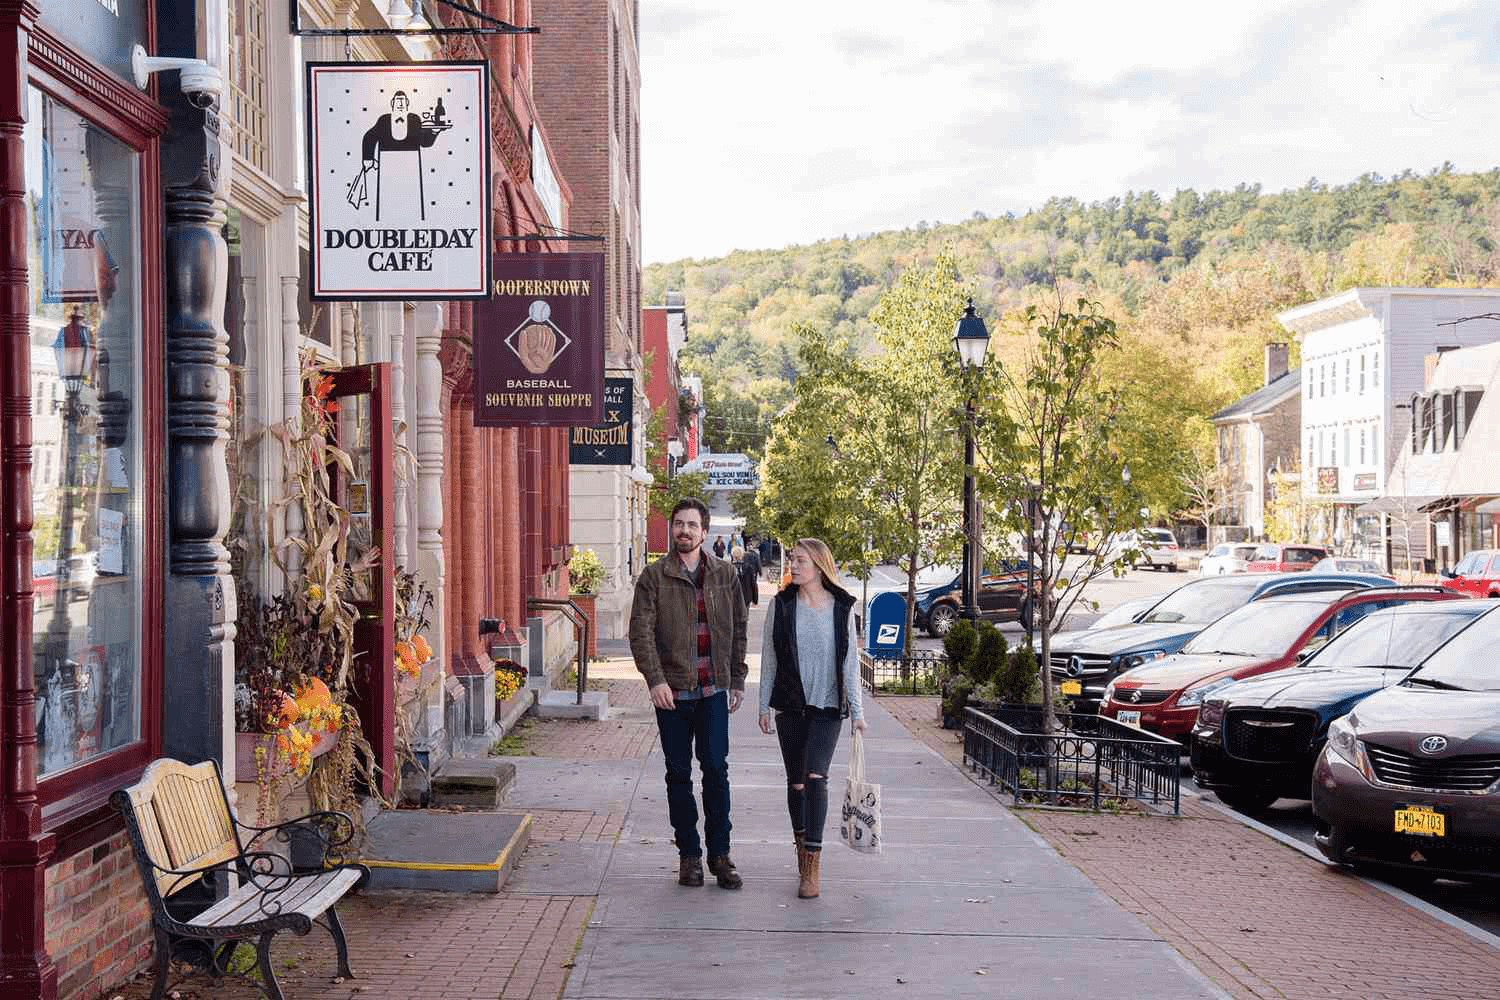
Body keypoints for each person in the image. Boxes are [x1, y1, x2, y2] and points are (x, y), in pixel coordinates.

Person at [629, 499, 749, 889]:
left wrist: (737, 679)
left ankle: (721, 855)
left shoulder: (725, 575)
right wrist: (655, 680)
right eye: (679, 524)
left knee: (716, 772)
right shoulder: (654, 577)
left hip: (713, 688)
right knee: (678, 775)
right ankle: (690, 856)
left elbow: (738, 629)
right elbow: (641, 633)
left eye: (692, 525)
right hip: (673, 694)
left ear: (704, 531)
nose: (684, 530)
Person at [758, 538, 865, 899]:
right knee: (797, 783)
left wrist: (858, 713)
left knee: (816, 777)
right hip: (791, 705)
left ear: (819, 566)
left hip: (828, 706)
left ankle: (813, 866)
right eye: (792, 559)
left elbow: (851, 663)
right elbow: (770, 657)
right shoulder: (782, 605)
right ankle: (802, 854)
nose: (794, 565)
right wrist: (763, 705)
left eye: (801, 560)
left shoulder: (842, 607)